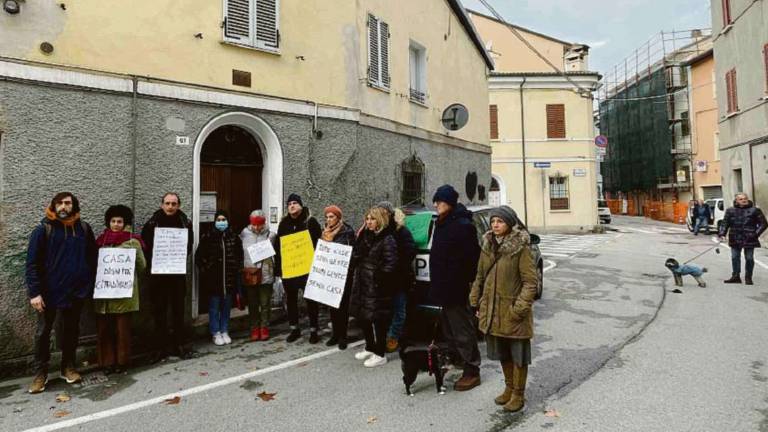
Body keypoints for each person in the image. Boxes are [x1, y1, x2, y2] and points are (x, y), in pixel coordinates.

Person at [25, 192, 97, 393]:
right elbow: (31, 264)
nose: (63, 207)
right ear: (53, 205)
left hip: (76, 292)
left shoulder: (83, 228)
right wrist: (34, 293)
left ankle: (68, 367)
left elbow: (92, 258)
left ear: (74, 206)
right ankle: (40, 374)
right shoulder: (43, 230)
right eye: (59, 203)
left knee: (71, 330)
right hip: (48, 293)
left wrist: (88, 284)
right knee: (43, 333)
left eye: (67, 203)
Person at [470, 206, 537, 412]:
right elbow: (480, 276)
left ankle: (519, 394)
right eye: (493, 222)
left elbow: (530, 283)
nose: (495, 225)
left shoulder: (521, 248)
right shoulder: (488, 245)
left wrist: (518, 309)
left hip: (513, 311)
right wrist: (475, 300)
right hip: (492, 310)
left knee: (518, 355)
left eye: (500, 221)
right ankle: (509, 388)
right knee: (502, 352)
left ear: (509, 223)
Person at [429, 184, 482, 391]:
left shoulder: (461, 225)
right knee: (450, 331)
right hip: (443, 287)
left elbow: (471, 259)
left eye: (439, 201)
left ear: (449, 203)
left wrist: (463, 282)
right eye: (436, 201)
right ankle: (460, 362)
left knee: (463, 331)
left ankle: (472, 370)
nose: (436, 205)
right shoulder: (442, 222)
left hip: (456, 288)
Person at [94, 205, 146, 374]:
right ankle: (107, 363)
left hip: (124, 295)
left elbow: (142, 266)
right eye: (113, 221)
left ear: (125, 223)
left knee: (122, 330)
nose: (116, 224)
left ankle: (122, 362)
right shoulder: (101, 242)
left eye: (120, 221)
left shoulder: (133, 242)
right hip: (104, 296)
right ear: (108, 223)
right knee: (105, 330)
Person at [141, 192, 194, 359]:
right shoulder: (152, 223)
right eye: (167, 203)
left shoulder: (185, 223)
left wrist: (175, 258)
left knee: (178, 311)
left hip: (177, 274)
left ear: (179, 205)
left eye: (174, 203)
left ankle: (179, 345)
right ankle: (160, 347)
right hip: (158, 276)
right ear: (161, 204)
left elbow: (189, 245)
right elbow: (145, 246)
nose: (170, 206)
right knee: (159, 311)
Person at [349, 206, 397, 367]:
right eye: (367, 219)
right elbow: (357, 254)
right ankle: (370, 346)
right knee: (364, 317)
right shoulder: (366, 236)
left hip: (377, 288)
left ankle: (380, 353)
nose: (369, 222)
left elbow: (391, 264)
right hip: (363, 284)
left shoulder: (387, 239)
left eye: (372, 219)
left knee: (379, 321)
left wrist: (378, 278)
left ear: (380, 220)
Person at [274, 193, 323, 343]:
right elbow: (279, 247)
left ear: (301, 205)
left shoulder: (311, 222)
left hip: (308, 270)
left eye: (295, 203)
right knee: (291, 301)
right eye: (289, 204)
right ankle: (294, 329)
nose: (292, 206)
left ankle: (314, 330)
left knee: (311, 300)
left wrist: (317, 265)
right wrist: (279, 270)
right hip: (290, 270)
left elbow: (319, 244)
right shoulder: (283, 224)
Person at [196, 210, 243, 346]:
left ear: (228, 221)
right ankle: (215, 332)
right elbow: (199, 257)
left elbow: (239, 256)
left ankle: (224, 330)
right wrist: (207, 271)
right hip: (214, 281)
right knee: (214, 307)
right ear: (215, 221)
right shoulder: (208, 237)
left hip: (229, 280)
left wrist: (236, 270)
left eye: (224, 220)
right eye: (219, 220)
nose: (221, 222)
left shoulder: (234, 237)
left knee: (226, 307)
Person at [376, 202, 416, 353]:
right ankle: (384, 335)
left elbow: (410, 251)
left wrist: (395, 265)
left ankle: (393, 337)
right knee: (386, 310)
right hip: (384, 278)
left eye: (383, 212)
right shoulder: (378, 231)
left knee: (399, 308)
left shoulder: (401, 231)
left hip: (399, 278)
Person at [321, 205, 356, 350]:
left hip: (343, 274)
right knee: (332, 306)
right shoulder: (324, 233)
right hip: (330, 274)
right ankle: (335, 335)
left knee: (342, 306)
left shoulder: (347, 232)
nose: (329, 220)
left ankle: (343, 336)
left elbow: (353, 252)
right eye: (327, 217)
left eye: (332, 216)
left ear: (338, 218)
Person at [240, 210, 277, 342]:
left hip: (266, 272)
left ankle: (264, 327)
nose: (256, 227)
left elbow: (277, 254)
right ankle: (254, 328)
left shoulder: (271, 235)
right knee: (253, 303)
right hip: (250, 273)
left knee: (265, 303)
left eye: (260, 224)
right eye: (254, 224)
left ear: (264, 222)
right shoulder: (244, 234)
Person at [719, 193, 767, 285]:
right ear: (736, 201)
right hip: (735, 237)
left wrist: (755, 234)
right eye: (741, 199)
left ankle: (748, 277)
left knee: (749, 258)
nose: (743, 200)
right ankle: (735, 276)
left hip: (749, 238)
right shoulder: (730, 210)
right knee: (734, 257)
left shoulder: (755, 210)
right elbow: (725, 223)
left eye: (745, 198)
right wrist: (722, 234)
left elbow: (764, 224)